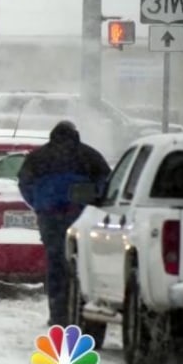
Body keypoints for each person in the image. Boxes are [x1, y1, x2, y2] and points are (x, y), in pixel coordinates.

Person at [17, 120, 111, 326]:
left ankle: (58, 314)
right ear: (75, 135)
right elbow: (106, 183)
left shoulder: (38, 157)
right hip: (81, 217)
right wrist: (92, 202)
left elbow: (24, 183)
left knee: (55, 262)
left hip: (50, 217)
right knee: (81, 263)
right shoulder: (89, 156)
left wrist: (38, 203)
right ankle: (80, 308)